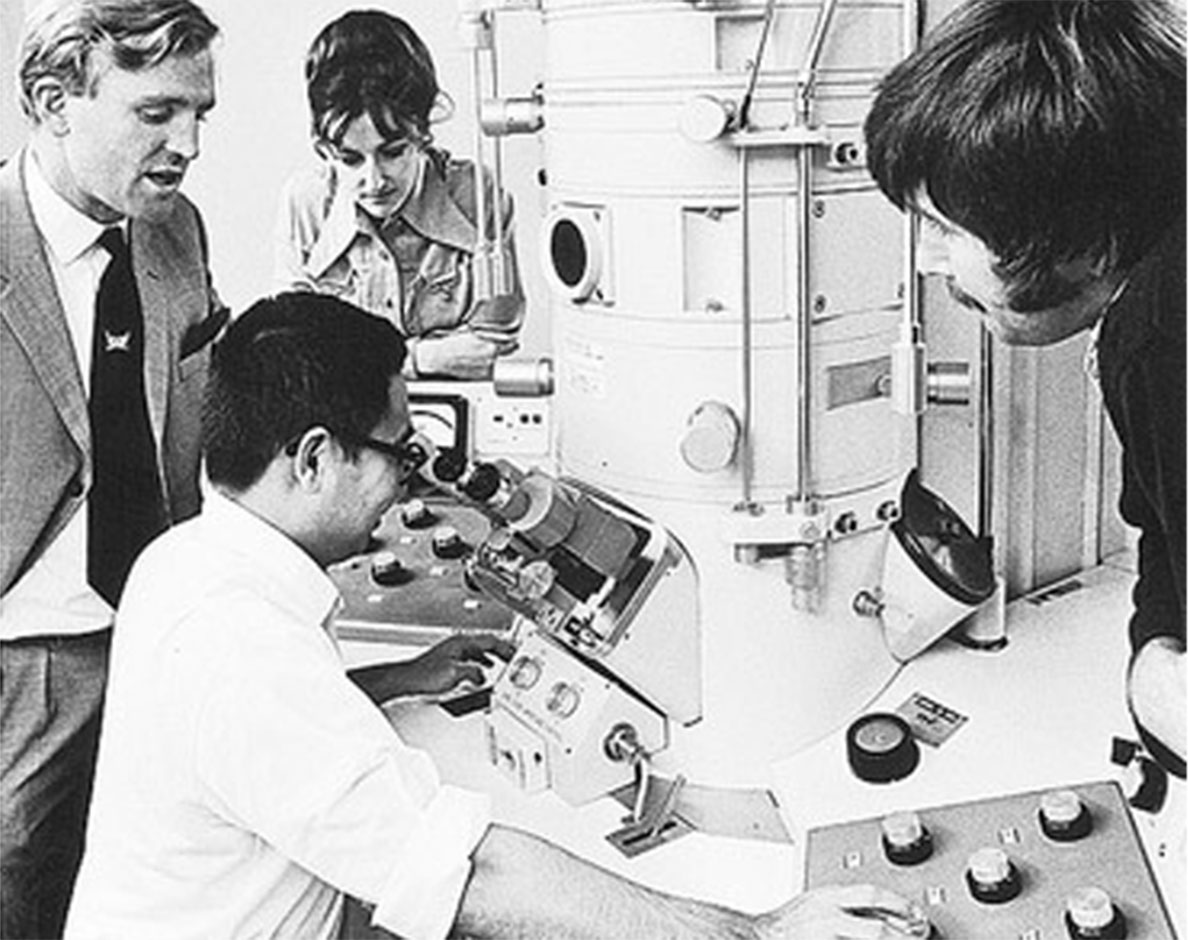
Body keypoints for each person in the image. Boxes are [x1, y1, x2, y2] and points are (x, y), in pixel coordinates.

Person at [64, 292, 921, 940]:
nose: (409, 478)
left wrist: (394, 678)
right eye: (398, 451)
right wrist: (759, 931)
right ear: (315, 458)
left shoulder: (188, 563)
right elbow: (467, 875)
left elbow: (249, 751)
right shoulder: (238, 647)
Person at [864, 0, 1185, 775]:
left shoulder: (1164, 332)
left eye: (947, 228)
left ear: (1085, 234)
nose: (928, 263)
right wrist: (1154, 667)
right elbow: (1162, 539)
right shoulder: (1148, 301)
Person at [0, 0, 226, 935]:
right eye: (158, 112)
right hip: (24, 657)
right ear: (57, 101)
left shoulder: (177, 232)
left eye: (200, 114)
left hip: (157, 637)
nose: (189, 143)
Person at [274, 10, 524, 381]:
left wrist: (353, 359)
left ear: (423, 135)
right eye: (351, 159)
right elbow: (294, 351)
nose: (373, 180)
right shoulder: (306, 203)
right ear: (324, 149)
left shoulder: (476, 196)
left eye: (392, 153)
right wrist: (421, 358)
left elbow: (487, 349)